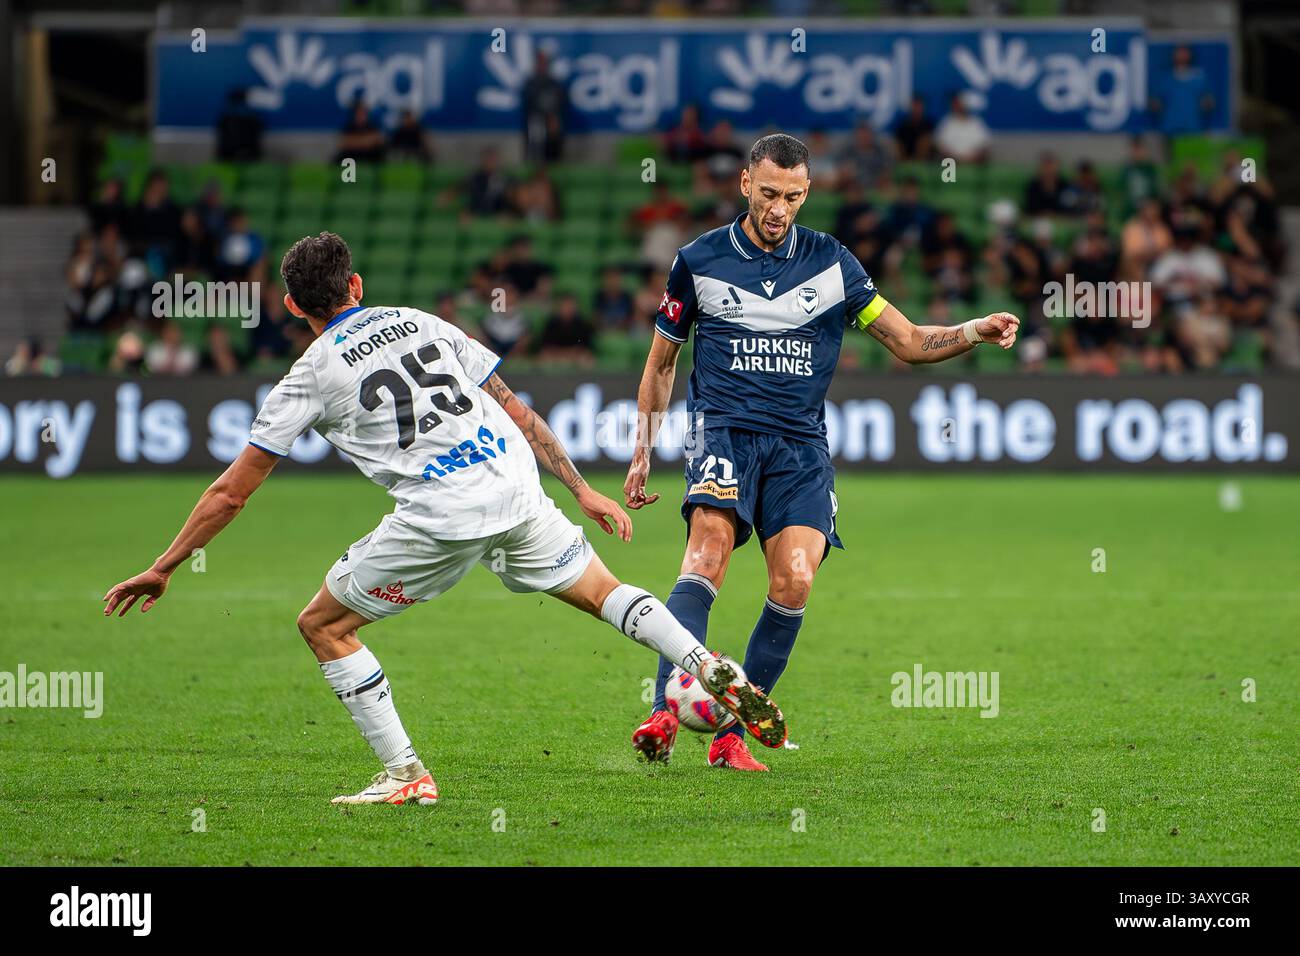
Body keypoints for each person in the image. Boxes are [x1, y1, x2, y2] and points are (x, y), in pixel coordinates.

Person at [102, 232, 787, 806]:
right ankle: (703, 662)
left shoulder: (309, 374)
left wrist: (164, 565)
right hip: (514, 482)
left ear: (290, 306)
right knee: (606, 592)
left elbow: (230, 494)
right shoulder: (422, 322)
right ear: (357, 285)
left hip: (443, 512)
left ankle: (406, 776)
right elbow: (517, 410)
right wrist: (582, 491)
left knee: (323, 625)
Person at [622, 134, 1019, 771]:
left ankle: (731, 738)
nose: (780, 208)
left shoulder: (834, 265)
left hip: (800, 447)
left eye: (795, 196)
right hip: (723, 432)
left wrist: (976, 329)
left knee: (796, 580)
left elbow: (910, 341)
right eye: (771, 193)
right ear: (746, 183)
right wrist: (643, 450)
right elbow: (662, 362)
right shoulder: (697, 262)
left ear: (808, 193)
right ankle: (666, 711)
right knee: (707, 555)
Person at [522, 49, 567, 164]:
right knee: (535, 134)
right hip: (535, 125)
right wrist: (545, 117)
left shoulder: (554, 84)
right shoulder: (530, 84)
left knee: (554, 152)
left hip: (552, 127)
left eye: (544, 62)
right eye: (540, 62)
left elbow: (560, 103)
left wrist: (553, 118)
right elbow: (529, 106)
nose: (542, 65)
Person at [933, 92, 990, 164]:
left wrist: (973, 157)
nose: (959, 106)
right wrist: (955, 158)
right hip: (952, 165)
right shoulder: (946, 123)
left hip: (974, 164)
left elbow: (985, 145)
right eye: (956, 104)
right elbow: (939, 145)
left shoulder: (977, 123)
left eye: (961, 104)